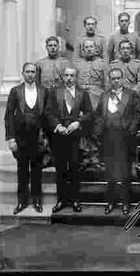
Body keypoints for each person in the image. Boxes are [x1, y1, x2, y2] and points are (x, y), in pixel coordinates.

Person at [45, 67, 93, 213]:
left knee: (74, 168)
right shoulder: (54, 92)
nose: (69, 78)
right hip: (59, 135)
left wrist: (78, 122)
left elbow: (90, 113)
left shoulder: (82, 93)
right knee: (61, 169)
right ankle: (61, 200)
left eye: (72, 75)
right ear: (63, 77)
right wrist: (57, 126)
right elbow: (48, 112)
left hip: (75, 136)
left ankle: (75, 200)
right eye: (66, 75)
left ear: (76, 77)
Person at [94, 68, 140, 215]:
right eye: (113, 78)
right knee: (110, 173)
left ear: (122, 79)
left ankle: (125, 202)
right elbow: (98, 115)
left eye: (118, 78)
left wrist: (131, 130)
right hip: (108, 138)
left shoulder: (131, 94)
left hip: (125, 138)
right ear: (109, 80)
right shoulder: (104, 95)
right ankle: (110, 201)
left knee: (125, 172)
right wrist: (99, 131)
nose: (116, 81)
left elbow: (137, 115)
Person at [4, 62, 48, 214]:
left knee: (37, 170)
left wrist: (47, 138)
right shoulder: (15, 91)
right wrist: (11, 138)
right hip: (20, 137)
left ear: (36, 74)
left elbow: (48, 116)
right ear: (23, 73)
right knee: (22, 170)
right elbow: (9, 116)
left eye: (33, 72)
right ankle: (22, 202)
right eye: (28, 71)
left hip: (38, 137)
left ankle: (37, 201)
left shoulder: (44, 91)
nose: (30, 74)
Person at [36, 36, 72, 167]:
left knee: (60, 128)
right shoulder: (39, 63)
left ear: (58, 47)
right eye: (50, 45)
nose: (52, 47)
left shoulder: (65, 62)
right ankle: (47, 157)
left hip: (60, 99)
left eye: (55, 45)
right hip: (45, 100)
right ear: (46, 47)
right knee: (46, 128)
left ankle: (60, 158)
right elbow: (37, 83)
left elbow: (70, 81)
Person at [72, 38, 107, 167]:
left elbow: (106, 84)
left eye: (91, 47)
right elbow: (73, 84)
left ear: (96, 49)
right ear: (82, 50)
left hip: (98, 99)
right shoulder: (76, 64)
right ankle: (86, 157)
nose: (89, 49)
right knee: (84, 129)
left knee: (97, 130)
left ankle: (96, 157)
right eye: (86, 47)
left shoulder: (102, 64)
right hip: (81, 101)